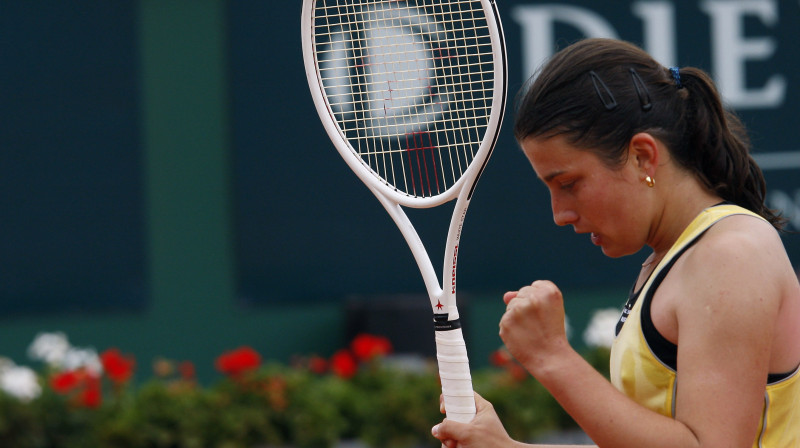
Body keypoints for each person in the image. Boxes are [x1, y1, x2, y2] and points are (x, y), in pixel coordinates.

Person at [432, 38, 800, 448]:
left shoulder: (731, 254)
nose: (560, 214)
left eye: (569, 183)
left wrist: (553, 357)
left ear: (643, 156)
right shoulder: (678, 257)